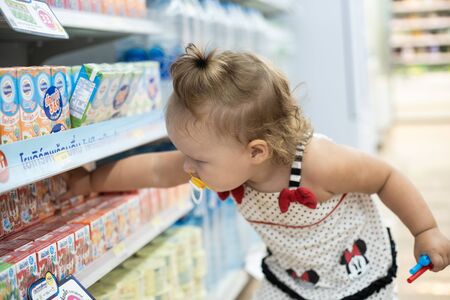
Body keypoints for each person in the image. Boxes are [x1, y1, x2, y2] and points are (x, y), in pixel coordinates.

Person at [66, 44, 450, 299]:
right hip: (292, 278)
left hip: (357, 273)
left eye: (197, 160)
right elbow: (153, 168)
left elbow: (385, 176)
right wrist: (85, 181)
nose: (186, 166)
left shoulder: (321, 163)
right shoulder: (220, 161)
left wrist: (425, 230)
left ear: (256, 152)